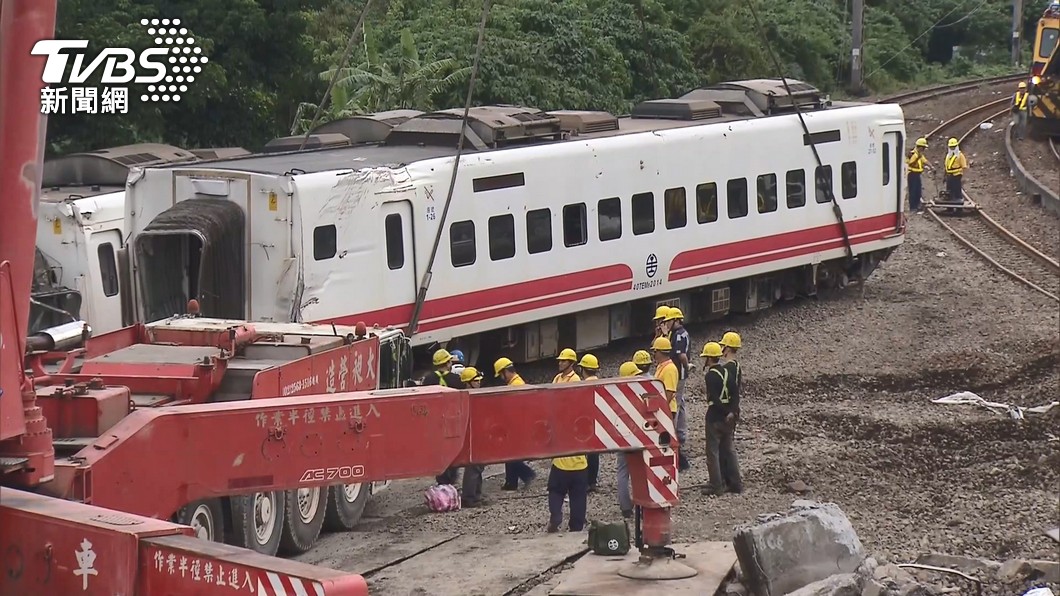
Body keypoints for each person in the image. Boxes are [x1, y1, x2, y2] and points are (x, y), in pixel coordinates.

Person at [700, 341, 742, 496]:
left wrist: (724, 412)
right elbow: (735, 394)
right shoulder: (727, 372)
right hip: (729, 419)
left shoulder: (710, 376)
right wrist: (731, 412)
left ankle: (716, 485)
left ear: (709, 358)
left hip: (715, 417)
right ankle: (735, 483)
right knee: (729, 450)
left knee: (713, 452)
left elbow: (714, 399)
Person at [423, 349, 466, 486]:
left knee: (439, 448)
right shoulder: (456, 379)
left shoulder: (429, 379)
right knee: (452, 447)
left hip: (435, 421)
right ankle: (452, 478)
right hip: (452, 419)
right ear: (448, 363)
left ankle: (441, 478)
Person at [494, 357, 536, 491]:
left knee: (511, 454)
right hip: (516, 424)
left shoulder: (515, 385)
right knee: (510, 454)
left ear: (505, 371)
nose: (501, 378)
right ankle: (511, 482)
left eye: (501, 374)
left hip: (516, 425)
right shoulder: (515, 382)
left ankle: (527, 474)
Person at [664, 308, 692, 472]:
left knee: (676, 404)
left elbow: (681, 355)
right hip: (678, 374)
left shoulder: (680, 335)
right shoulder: (677, 333)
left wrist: (686, 368)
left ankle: (676, 436)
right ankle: (680, 434)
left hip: (678, 375)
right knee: (680, 403)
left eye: (669, 321)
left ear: (676, 320)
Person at [615, 361, 641, 518]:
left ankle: (625, 507)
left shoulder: (617, 394)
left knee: (622, 472)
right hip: (637, 438)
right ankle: (641, 504)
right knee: (639, 471)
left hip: (623, 438)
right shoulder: (638, 393)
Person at [458, 366, 487, 506]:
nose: (479, 383)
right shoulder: (469, 397)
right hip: (474, 437)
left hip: (477, 435)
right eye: (476, 381)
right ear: (468, 382)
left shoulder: (470, 395)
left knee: (478, 466)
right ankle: (469, 497)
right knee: (474, 467)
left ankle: (475, 495)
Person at [650, 336, 681, 465]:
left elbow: (670, 392)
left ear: (660, 352)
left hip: (667, 410)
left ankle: (671, 464)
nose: (653, 354)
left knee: (665, 439)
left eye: (655, 351)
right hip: (664, 408)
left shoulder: (669, 369)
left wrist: (660, 408)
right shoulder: (663, 366)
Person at [577, 354, 601, 492]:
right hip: (597, 422)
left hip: (585, 422)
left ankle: (585, 482)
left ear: (583, 369)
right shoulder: (600, 383)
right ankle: (592, 482)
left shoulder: (583, 385)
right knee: (595, 454)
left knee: (585, 453)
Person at [906, 137, 931, 213]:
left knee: (918, 191)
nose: (923, 149)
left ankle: (917, 206)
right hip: (912, 175)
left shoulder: (919, 154)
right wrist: (917, 158)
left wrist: (931, 166)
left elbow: (925, 161)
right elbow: (910, 163)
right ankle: (913, 207)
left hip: (917, 175)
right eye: (923, 148)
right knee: (913, 191)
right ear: (919, 147)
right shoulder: (914, 154)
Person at [943, 137, 968, 205]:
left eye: (954, 147)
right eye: (951, 147)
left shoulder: (960, 155)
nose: (952, 148)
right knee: (949, 191)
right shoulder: (948, 156)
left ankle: (958, 207)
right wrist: (945, 175)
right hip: (949, 175)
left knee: (957, 190)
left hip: (957, 175)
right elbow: (946, 166)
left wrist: (960, 173)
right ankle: (949, 208)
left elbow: (964, 166)